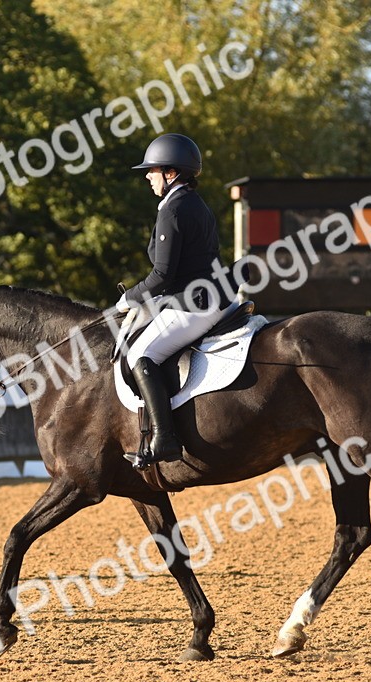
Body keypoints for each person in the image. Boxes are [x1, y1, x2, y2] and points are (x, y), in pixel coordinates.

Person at [119, 132, 232, 466]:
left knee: (141, 356)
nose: (147, 176)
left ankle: (164, 439)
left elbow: (163, 275)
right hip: (209, 297)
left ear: (171, 173)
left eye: (153, 170)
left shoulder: (174, 209)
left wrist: (130, 298)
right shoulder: (192, 204)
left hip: (194, 305)